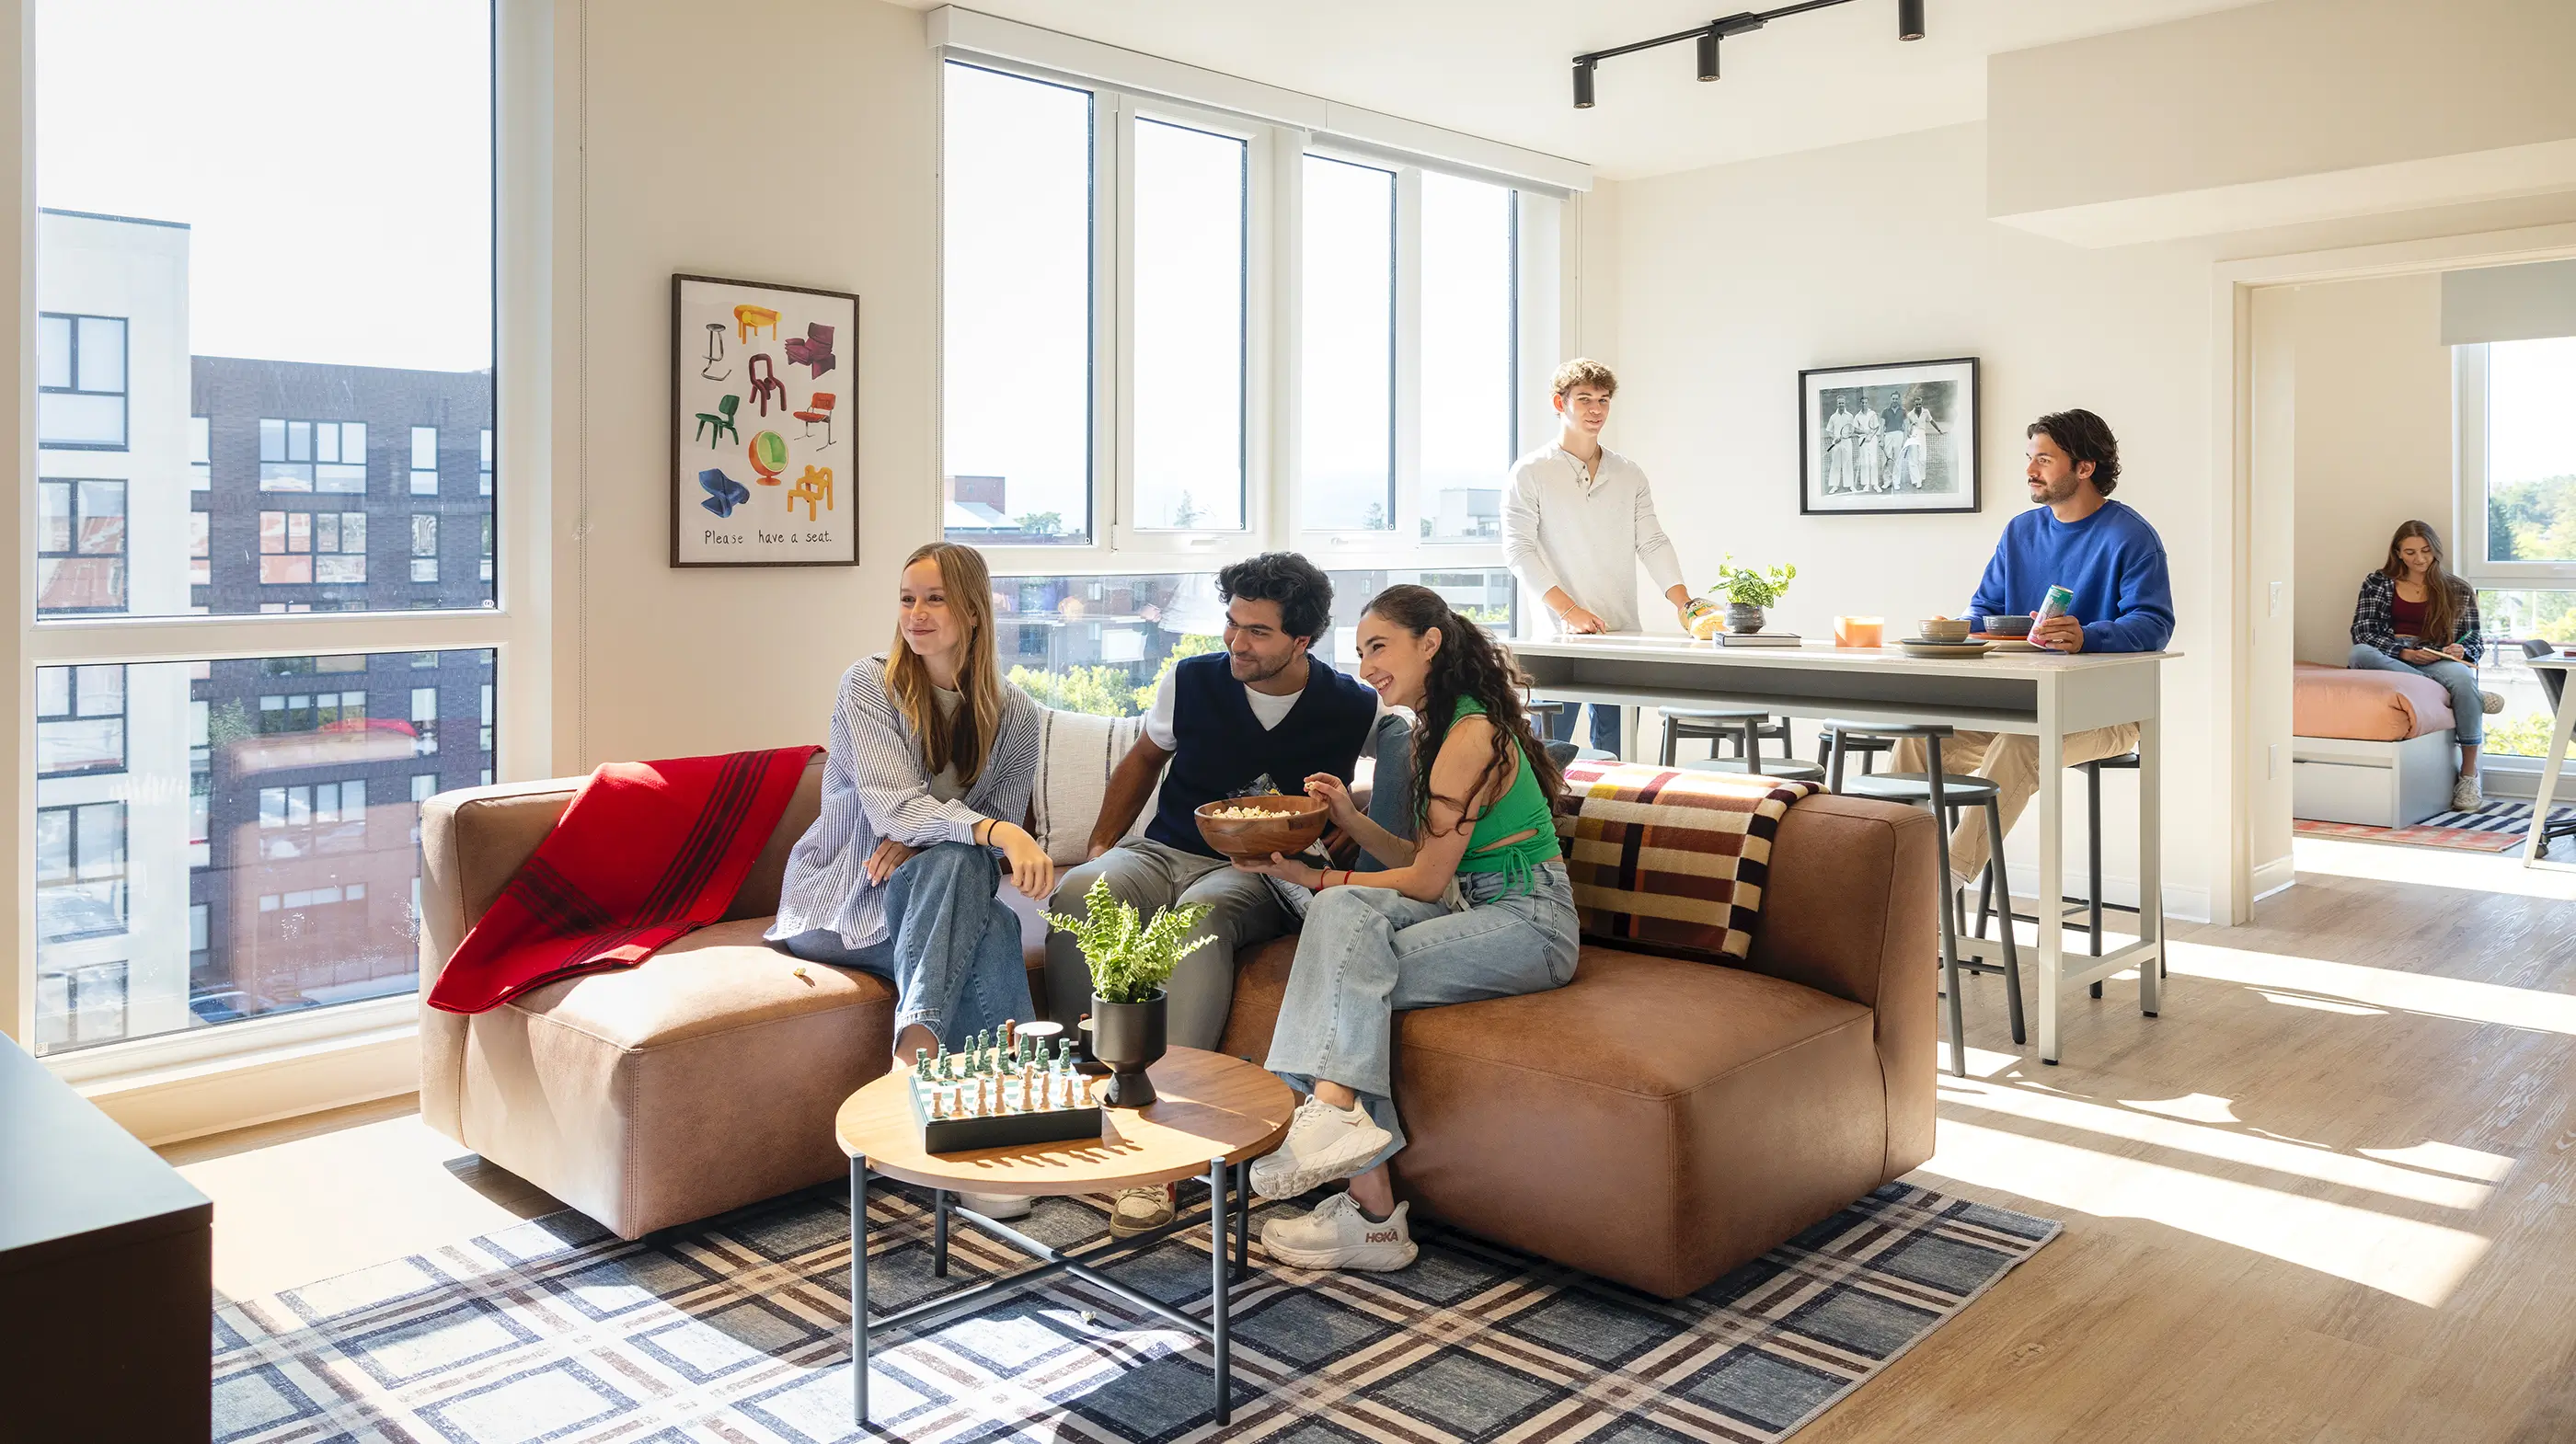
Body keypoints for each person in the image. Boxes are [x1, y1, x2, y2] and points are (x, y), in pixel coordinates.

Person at [1231, 585, 1580, 1271]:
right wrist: (1351, 825)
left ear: (1431, 642)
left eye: (1379, 647)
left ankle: (1365, 1198)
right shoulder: (1439, 731)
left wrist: (1319, 878)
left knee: (1346, 964)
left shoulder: (1472, 734)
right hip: (1466, 904)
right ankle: (1355, 1172)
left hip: (1529, 922)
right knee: (1340, 929)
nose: (1367, 668)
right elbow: (1429, 863)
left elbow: (1422, 884)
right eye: (1361, 652)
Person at [1046, 553, 1397, 1232]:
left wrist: (1354, 824)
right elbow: (1145, 759)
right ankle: (1077, 1098)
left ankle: (1165, 1152)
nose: (1237, 642)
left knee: (1196, 920)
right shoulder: (1192, 679)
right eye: (1231, 623)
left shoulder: (1354, 705)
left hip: (1259, 871)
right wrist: (1099, 846)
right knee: (1085, 893)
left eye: (1258, 631)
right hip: (1165, 848)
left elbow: (1400, 775)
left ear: (1302, 640)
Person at [768, 543, 1053, 1211]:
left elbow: (963, 850)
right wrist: (982, 831)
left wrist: (935, 837)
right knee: (982, 901)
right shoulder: (869, 685)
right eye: (906, 598)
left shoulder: (1017, 717)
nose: (915, 615)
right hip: (842, 900)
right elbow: (895, 808)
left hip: (932, 898)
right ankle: (992, 1126)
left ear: (974, 611)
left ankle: (948, 1120)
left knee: (976, 895)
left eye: (934, 599)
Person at [1893, 409, 2176, 885]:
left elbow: (2154, 624)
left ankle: (1943, 887)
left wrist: (2088, 636)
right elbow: (1984, 607)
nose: (2030, 471)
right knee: (1919, 741)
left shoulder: (2131, 536)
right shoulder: (2021, 531)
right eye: (2029, 458)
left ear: (2084, 467)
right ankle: (1895, 875)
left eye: (2043, 459)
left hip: (2106, 713)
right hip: (2018, 704)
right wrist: (1958, 629)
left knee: (2022, 743)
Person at [1501, 358, 1699, 758]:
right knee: (1543, 758)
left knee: (1618, 757)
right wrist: (1570, 611)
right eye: (1585, 399)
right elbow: (1518, 551)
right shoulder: (1530, 472)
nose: (1596, 410)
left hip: (1621, 636)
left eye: (1604, 400)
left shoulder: (1629, 473)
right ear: (1560, 403)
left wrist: (1687, 605)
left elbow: (1652, 541)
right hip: (1557, 641)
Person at [2349, 521, 2503, 813]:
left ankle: (2469, 775)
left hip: (2438, 658)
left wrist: (2461, 649)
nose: (2419, 559)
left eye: (2425, 551)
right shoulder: (2378, 582)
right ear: (2397, 553)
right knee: (2359, 653)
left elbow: (2475, 644)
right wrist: (2404, 653)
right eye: (2410, 552)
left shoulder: (2457, 589)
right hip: (2391, 657)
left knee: (2462, 675)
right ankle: (2468, 696)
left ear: (2435, 550)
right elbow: (2364, 632)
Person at [1904, 396, 1942, 490]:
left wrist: (1939, 430)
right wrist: (1908, 434)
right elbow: (1907, 427)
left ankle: (1921, 477)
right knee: (1913, 459)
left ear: (1922, 403)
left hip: (1922, 435)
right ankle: (1915, 480)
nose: (1918, 406)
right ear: (1914, 404)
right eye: (1916, 404)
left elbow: (1931, 421)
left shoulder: (1926, 412)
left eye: (1920, 404)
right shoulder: (1910, 414)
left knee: (1922, 459)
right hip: (1913, 435)